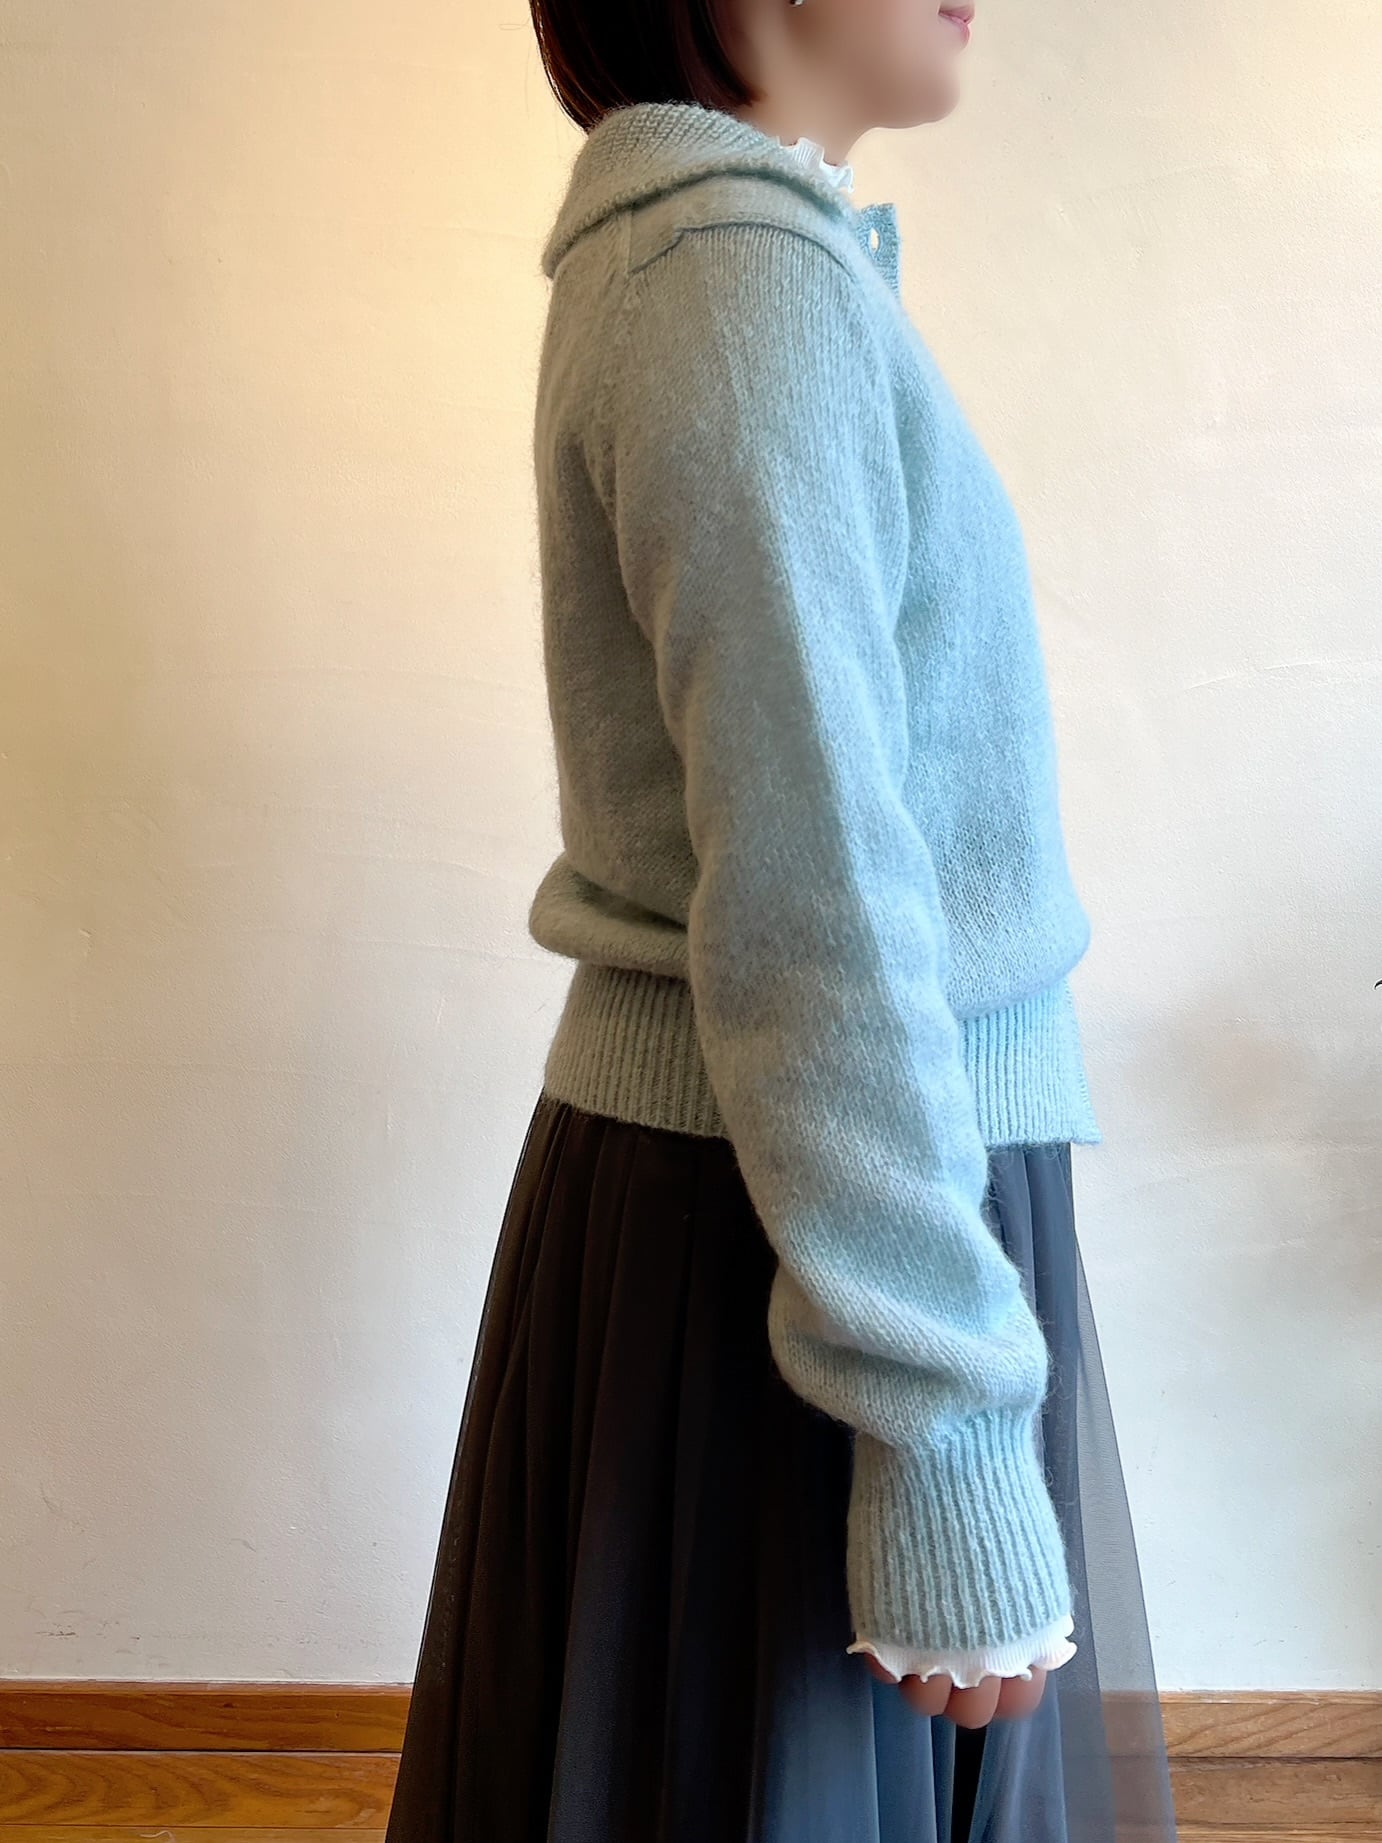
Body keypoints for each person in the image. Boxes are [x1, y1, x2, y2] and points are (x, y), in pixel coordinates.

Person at [384, 1, 1180, 1837]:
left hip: (803, 1193)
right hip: (798, 1220)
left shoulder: (721, 265)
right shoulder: (735, 284)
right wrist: (939, 1427)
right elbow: (811, 885)